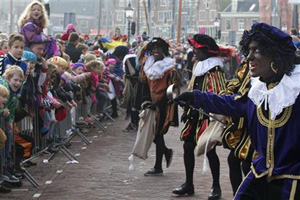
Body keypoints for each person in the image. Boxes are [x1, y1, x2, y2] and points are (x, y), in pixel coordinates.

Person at [176, 23, 300, 199]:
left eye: (256, 50)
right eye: (248, 51)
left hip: (294, 179)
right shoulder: (259, 89)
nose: (249, 57)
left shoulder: (295, 89)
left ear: (274, 54)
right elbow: (234, 104)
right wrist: (196, 98)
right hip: (261, 173)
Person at [172, 34, 227, 199]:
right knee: (188, 147)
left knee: (209, 149)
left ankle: (216, 187)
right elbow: (191, 87)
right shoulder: (199, 66)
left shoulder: (214, 69)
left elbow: (217, 92)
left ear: (205, 50)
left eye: (196, 49)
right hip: (194, 113)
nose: (193, 52)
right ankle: (189, 183)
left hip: (207, 114)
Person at [140, 38, 180, 176]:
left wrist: (157, 104)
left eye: (159, 49)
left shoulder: (170, 70)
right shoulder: (147, 66)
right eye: (154, 49)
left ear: (164, 50)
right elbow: (144, 85)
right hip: (150, 104)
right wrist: (145, 102)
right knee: (153, 134)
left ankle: (158, 166)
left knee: (157, 134)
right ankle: (166, 153)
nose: (156, 51)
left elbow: (172, 91)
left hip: (163, 105)